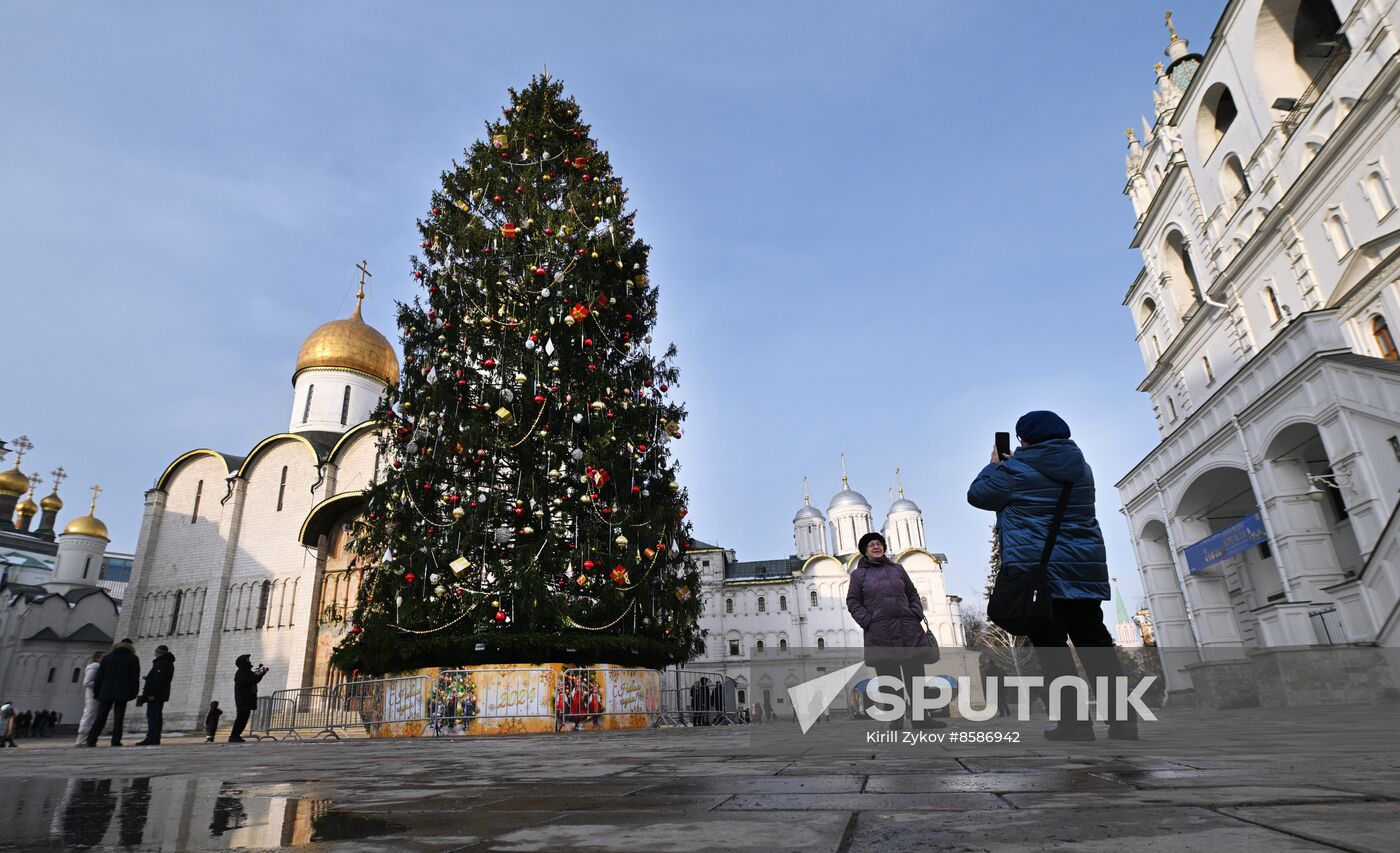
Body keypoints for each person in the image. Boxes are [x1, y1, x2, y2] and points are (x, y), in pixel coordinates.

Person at [968, 410, 1137, 741]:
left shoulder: (1015, 470)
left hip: (1038, 574)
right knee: (1094, 643)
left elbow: (978, 495)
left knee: (1052, 648)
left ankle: (1075, 724)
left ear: (1024, 440)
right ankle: (1123, 721)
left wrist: (994, 464)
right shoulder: (1081, 469)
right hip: (1083, 570)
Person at [846, 531, 943, 731]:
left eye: (879, 543)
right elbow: (853, 601)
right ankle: (896, 718)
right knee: (889, 678)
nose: (876, 547)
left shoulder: (898, 569)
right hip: (880, 632)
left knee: (915, 675)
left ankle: (920, 718)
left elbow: (912, 593)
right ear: (865, 551)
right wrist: (867, 620)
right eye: (871, 545)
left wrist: (915, 612)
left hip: (908, 629)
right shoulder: (858, 575)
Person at [85, 639, 141, 747]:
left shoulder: (107, 658)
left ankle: (91, 739)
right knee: (119, 717)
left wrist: (97, 693)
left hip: (106, 691)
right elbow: (134, 677)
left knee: (101, 716)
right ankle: (115, 740)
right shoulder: (133, 658)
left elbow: (99, 677)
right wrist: (134, 692)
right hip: (122, 691)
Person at [135, 645, 175, 746]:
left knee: (153, 716)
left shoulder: (162, 663)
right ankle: (154, 737)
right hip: (160, 694)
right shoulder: (166, 662)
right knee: (156, 715)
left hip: (155, 695)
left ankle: (152, 737)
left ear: (158, 652)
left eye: (156, 652)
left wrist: (152, 693)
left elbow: (158, 680)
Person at [228, 655, 268, 743]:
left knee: (244, 717)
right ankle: (234, 735)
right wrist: (256, 675)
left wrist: (260, 674)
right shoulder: (241, 672)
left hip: (247, 699)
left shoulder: (246, 671)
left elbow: (253, 680)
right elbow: (246, 681)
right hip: (243, 699)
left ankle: (236, 735)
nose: (249, 661)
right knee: (241, 717)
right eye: (247, 660)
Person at [75, 651, 105, 747]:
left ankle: (88, 739)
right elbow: (87, 682)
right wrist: (102, 684)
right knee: (89, 714)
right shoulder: (94, 666)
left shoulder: (100, 667)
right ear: (98, 658)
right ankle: (81, 740)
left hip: (98, 695)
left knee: (93, 715)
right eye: (103, 657)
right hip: (92, 695)